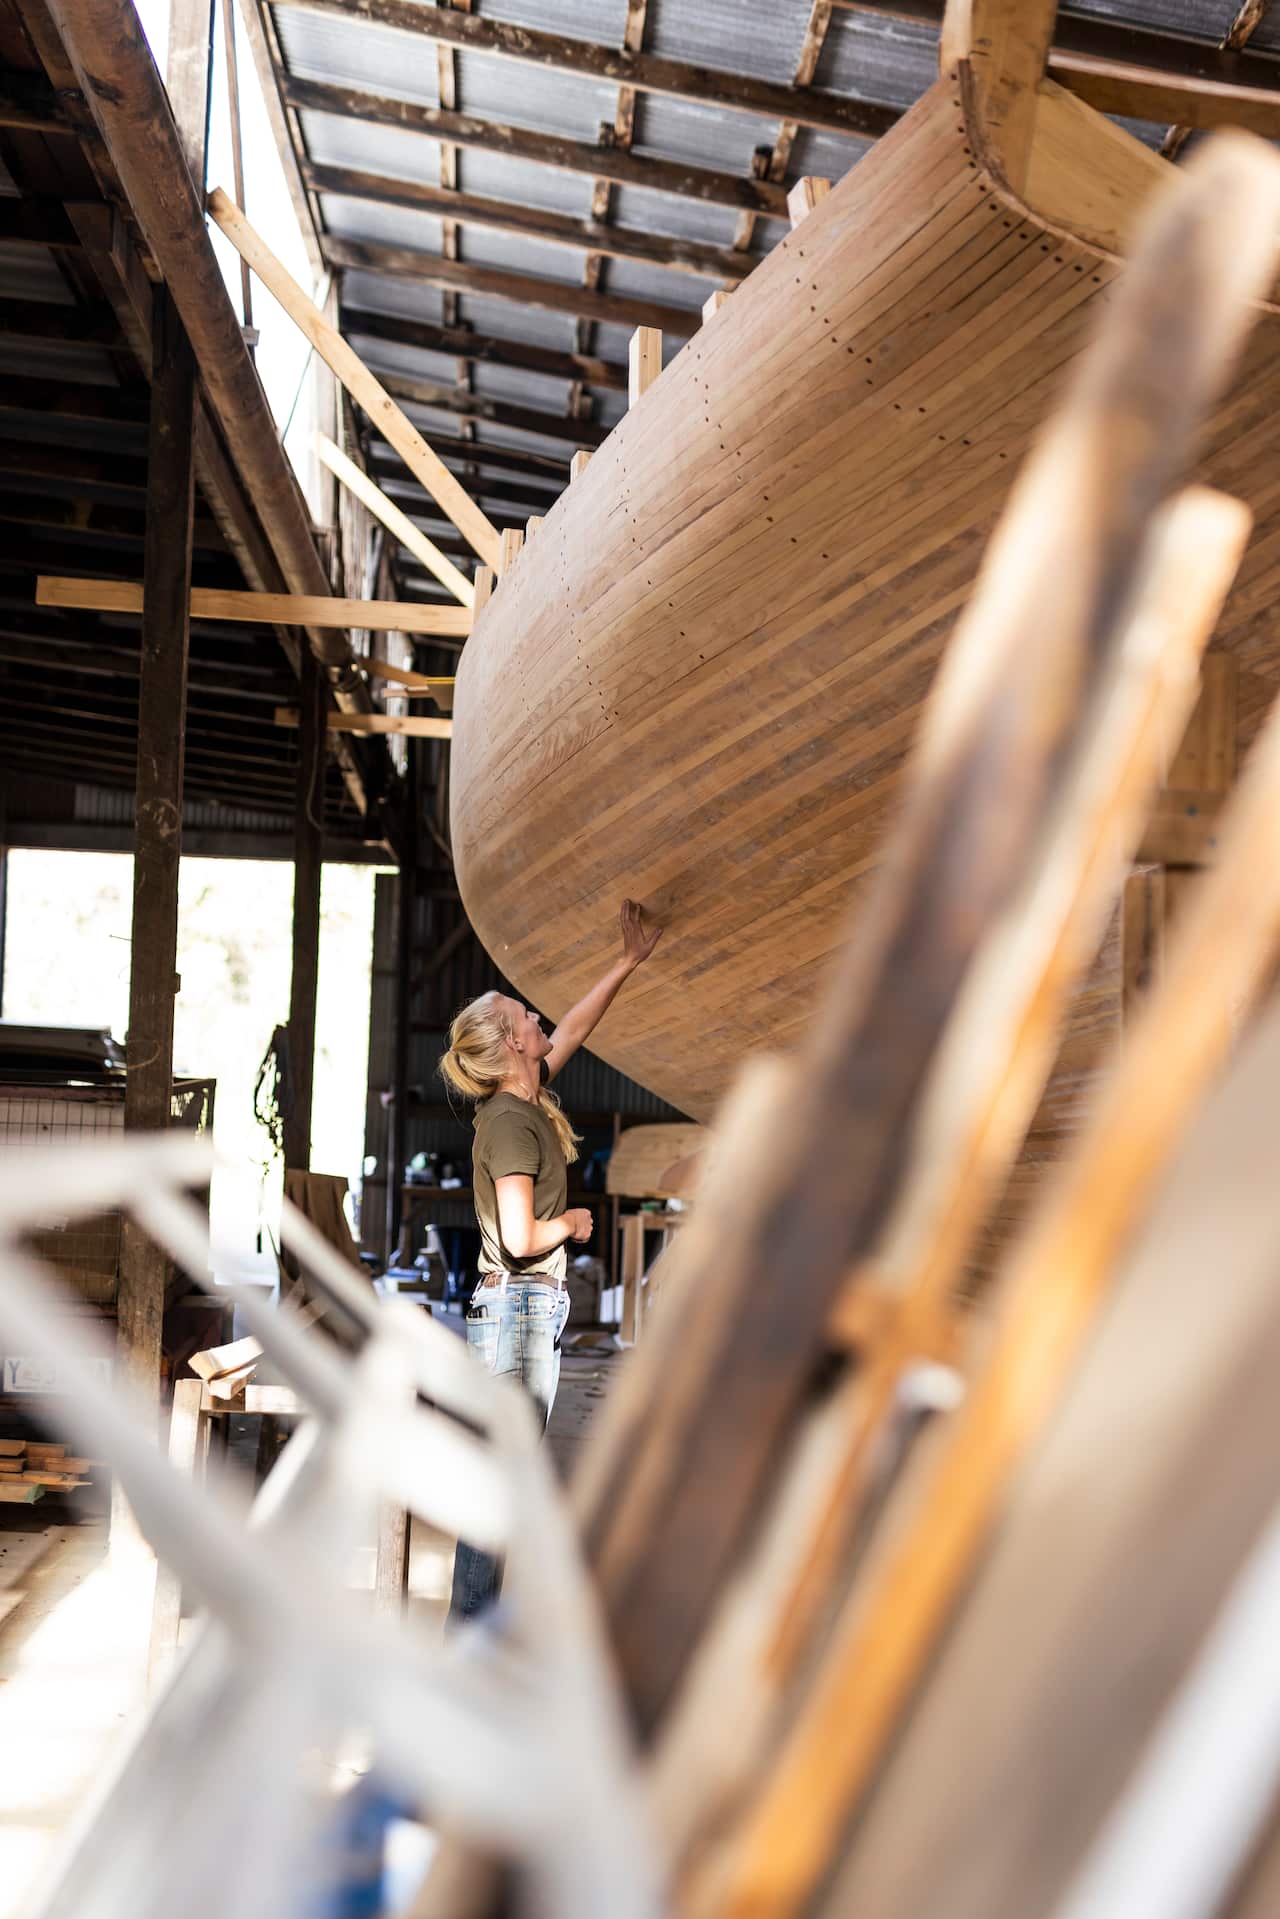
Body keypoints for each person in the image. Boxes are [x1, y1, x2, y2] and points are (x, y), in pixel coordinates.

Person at [439, 898, 663, 1619]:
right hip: (518, 1308)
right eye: (523, 1014)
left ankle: (476, 1637)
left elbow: (573, 1027)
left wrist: (626, 963)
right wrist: (567, 1221)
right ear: (511, 1044)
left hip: (525, 1310)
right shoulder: (509, 1123)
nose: (537, 1016)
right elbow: (517, 1235)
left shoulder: (528, 1097)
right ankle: (471, 1641)